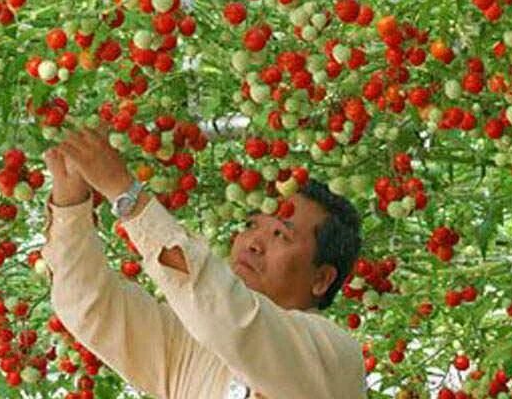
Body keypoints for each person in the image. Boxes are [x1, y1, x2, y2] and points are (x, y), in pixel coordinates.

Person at [42, 126, 367, 399]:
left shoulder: (332, 354)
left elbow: (228, 317)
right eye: (252, 225)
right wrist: (71, 204)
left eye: (281, 234)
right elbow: (89, 307)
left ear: (322, 279)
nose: (253, 242)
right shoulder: (187, 345)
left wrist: (126, 194)